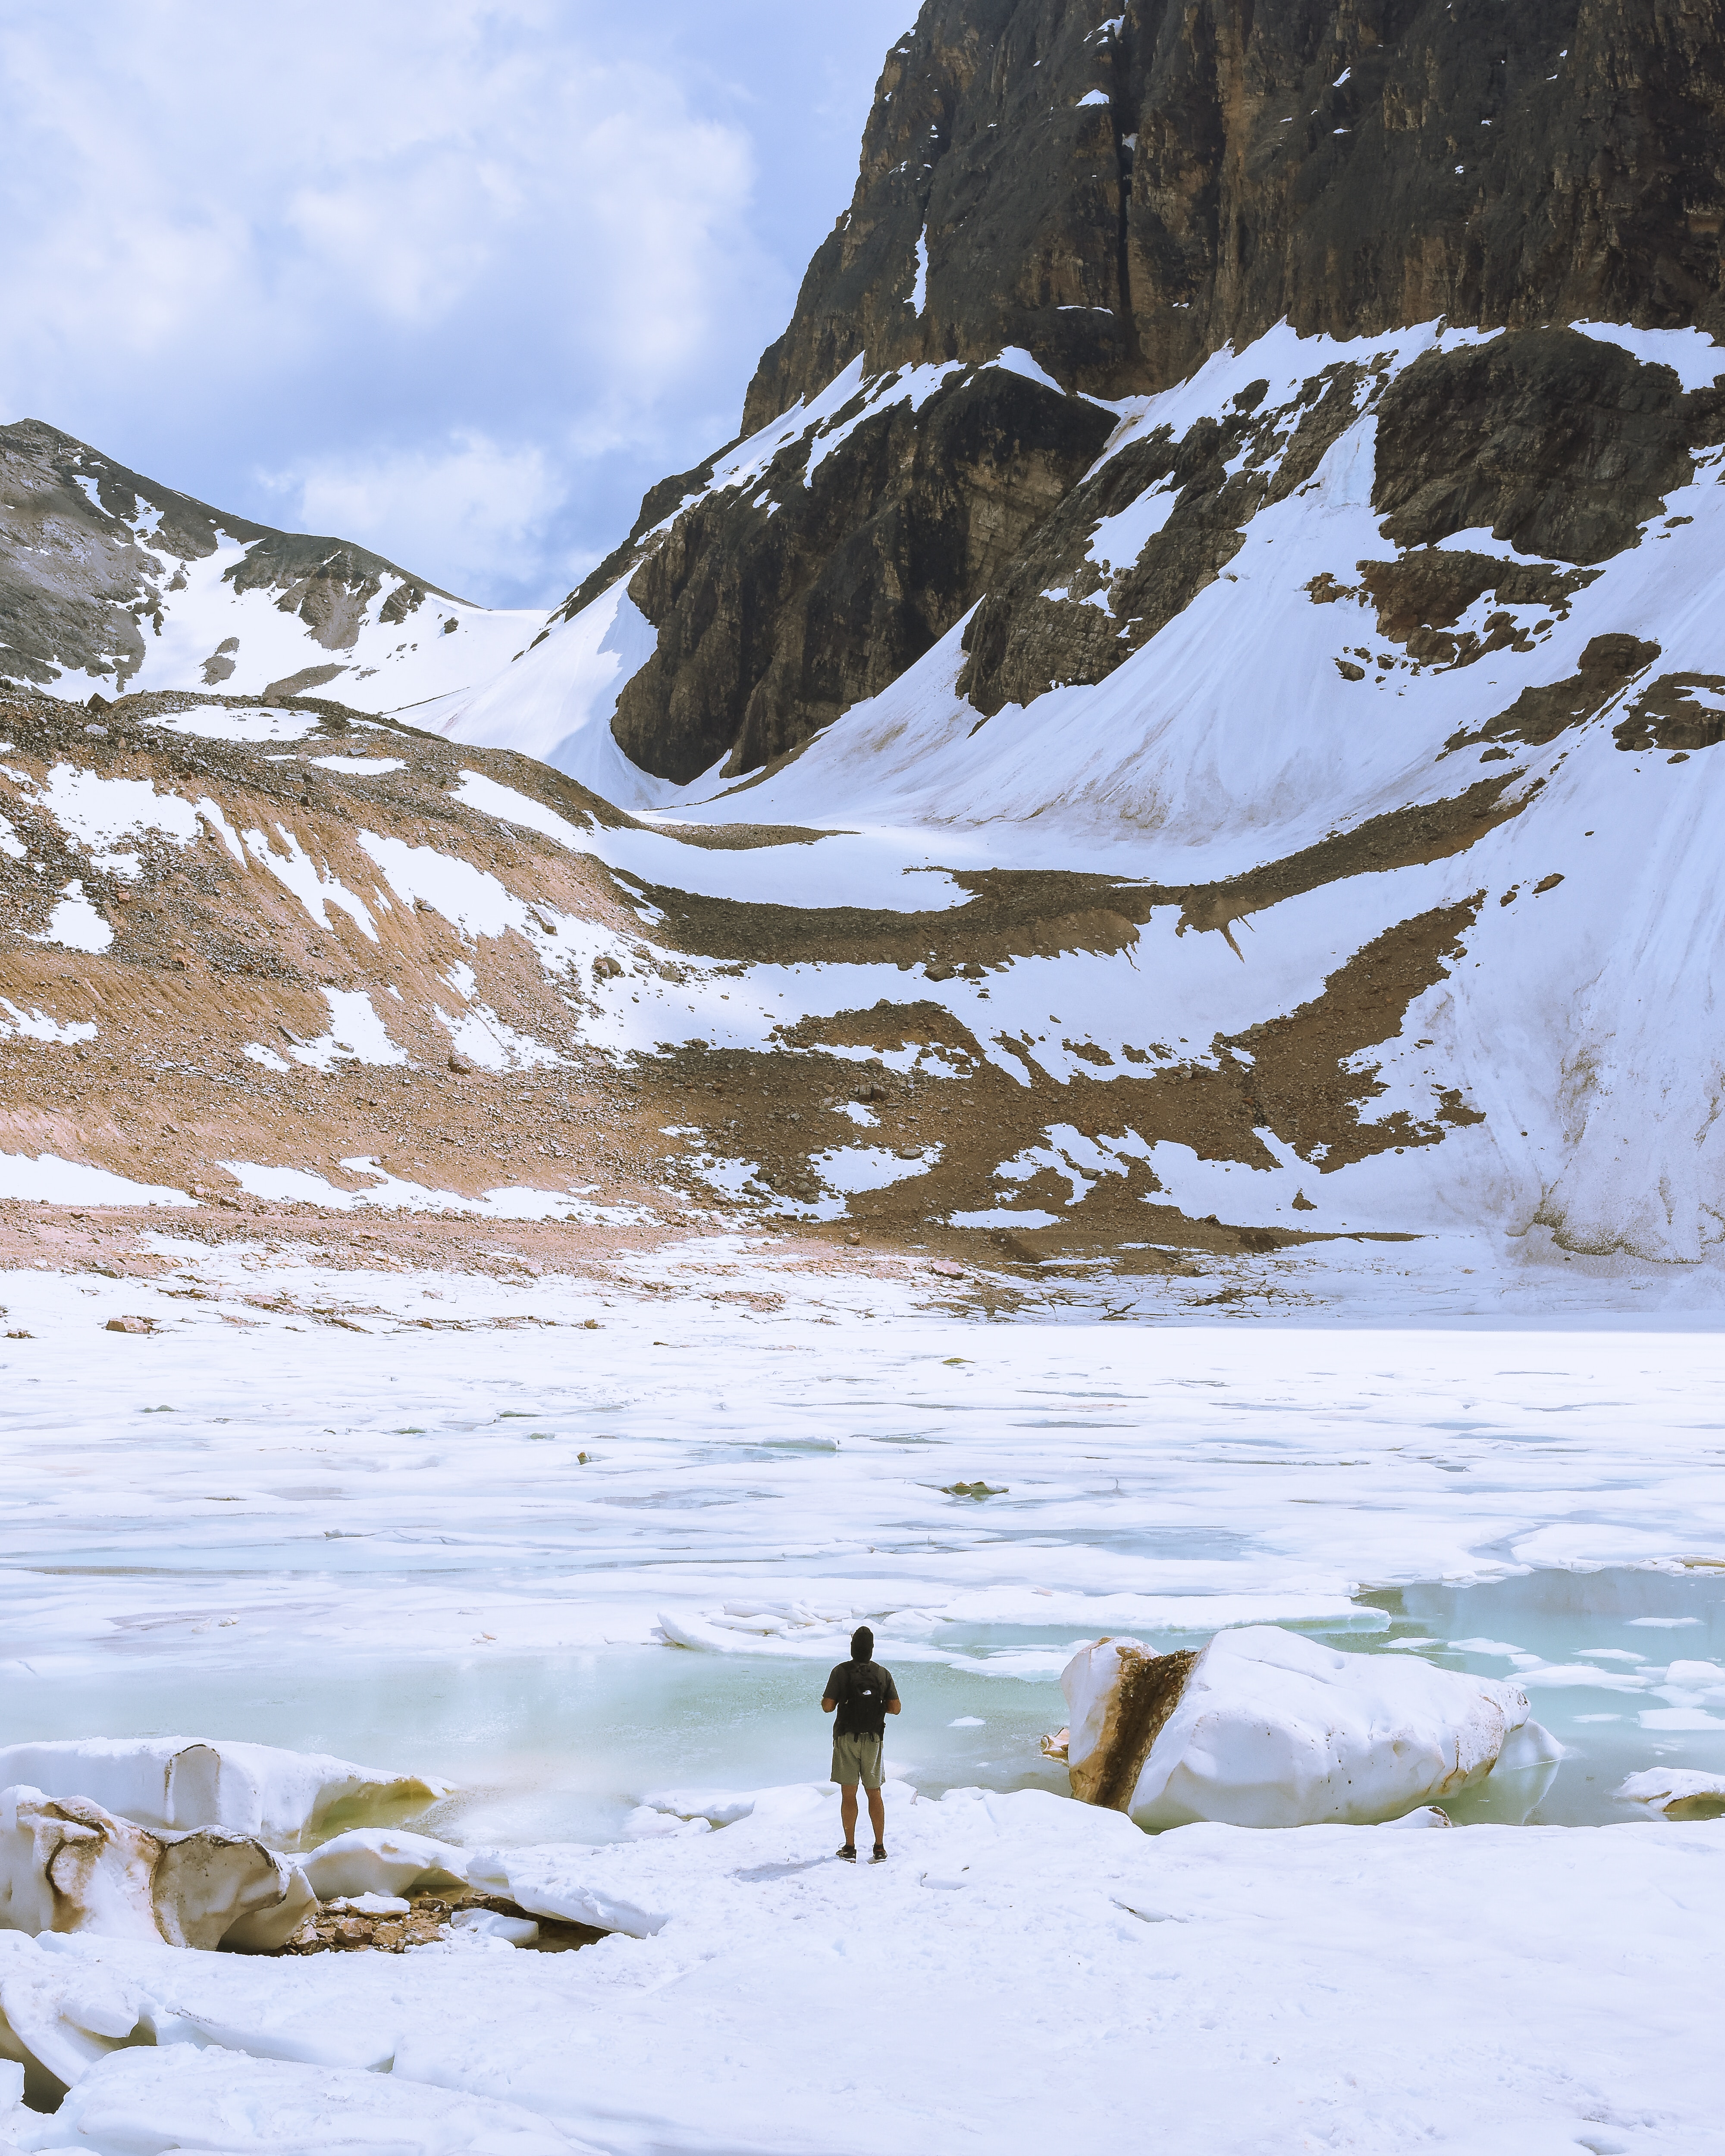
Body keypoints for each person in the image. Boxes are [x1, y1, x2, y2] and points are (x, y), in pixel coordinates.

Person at [822, 1625, 900, 1862]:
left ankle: (850, 1847)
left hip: (846, 1738)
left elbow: (827, 1706)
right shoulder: (882, 1674)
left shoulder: (841, 1672)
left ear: (853, 1647)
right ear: (872, 1649)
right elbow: (896, 1709)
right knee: (874, 1793)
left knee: (849, 1794)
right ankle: (879, 1848)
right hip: (874, 1739)